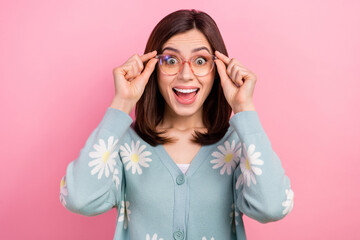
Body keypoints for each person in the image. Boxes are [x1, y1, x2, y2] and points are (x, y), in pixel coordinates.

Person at [59, 9, 294, 240]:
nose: (185, 74)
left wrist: (244, 108)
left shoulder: (237, 144)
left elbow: (273, 207)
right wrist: (121, 103)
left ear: (218, 70)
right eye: (171, 60)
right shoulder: (125, 144)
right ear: (153, 68)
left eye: (200, 60)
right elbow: (79, 198)